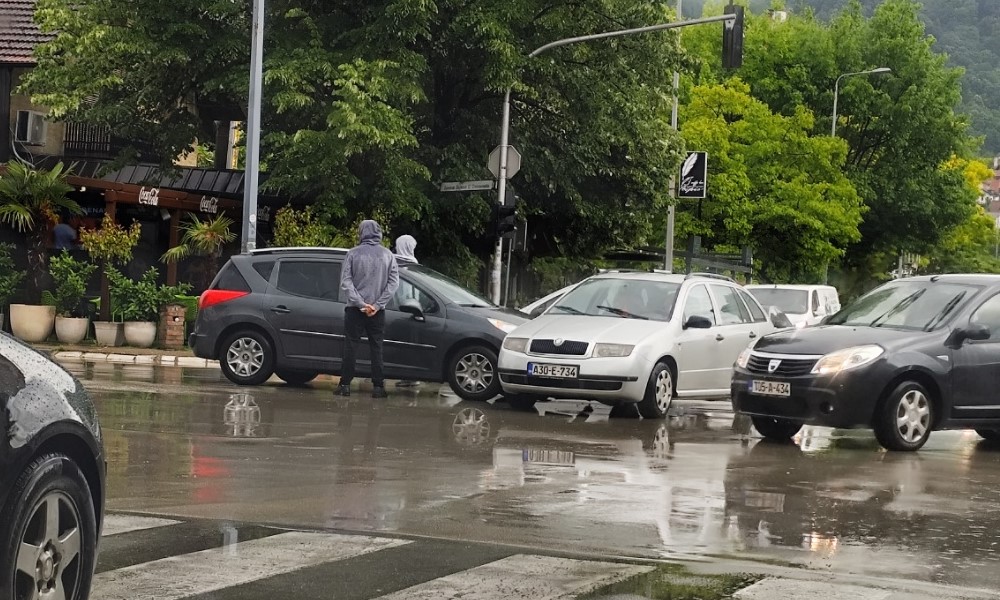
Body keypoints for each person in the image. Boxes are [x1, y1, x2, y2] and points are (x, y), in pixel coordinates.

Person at [337, 220, 399, 399]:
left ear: (361, 232)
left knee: (350, 346)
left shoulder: (352, 254)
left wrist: (361, 304)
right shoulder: (388, 255)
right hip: (378, 312)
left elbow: (346, 282)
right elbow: (393, 283)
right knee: (377, 347)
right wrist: (377, 305)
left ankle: (345, 385)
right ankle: (378, 387)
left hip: (355, 310)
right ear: (378, 232)